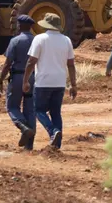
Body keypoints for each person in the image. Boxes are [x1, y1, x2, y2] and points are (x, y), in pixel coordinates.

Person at [22, 13, 77, 150]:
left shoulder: (39, 39)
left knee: (39, 110)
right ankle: (56, 145)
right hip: (59, 82)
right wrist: (73, 84)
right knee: (56, 112)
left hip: (43, 82)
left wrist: (25, 80)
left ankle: (53, 132)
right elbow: (71, 64)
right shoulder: (66, 40)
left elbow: (31, 61)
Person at [0, 14, 37, 150]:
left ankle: (23, 126)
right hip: (33, 78)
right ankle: (29, 145)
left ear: (20, 26)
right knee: (30, 110)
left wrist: (0, 80)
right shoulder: (37, 41)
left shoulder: (15, 41)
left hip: (18, 77)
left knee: (12, 106)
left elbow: (7, 63)